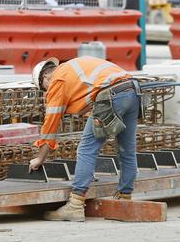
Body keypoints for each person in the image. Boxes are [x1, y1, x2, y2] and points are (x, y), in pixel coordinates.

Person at [28, 56, 141, 222]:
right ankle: (124, 198)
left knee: (86, 149)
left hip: (110, 94)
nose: (47, 93)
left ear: (45, 78)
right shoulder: (73, 69)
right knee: (126, 149)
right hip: (133, 89)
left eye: (43, 89)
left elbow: (50, 126)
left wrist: (40, 158)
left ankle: (75, 204)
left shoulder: (57, 80)